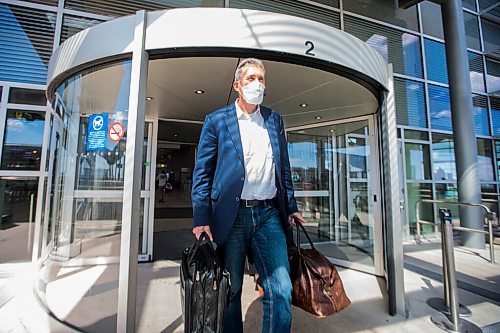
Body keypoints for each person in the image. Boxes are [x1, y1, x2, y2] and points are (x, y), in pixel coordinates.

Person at [191, 58, 307, 333]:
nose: (258, 84)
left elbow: (284, 168)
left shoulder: (273, 119)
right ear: (237, 85)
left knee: (280, 289)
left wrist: (290, 206)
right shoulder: (217, 121)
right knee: (231, 289)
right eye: (251, 78)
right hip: (233, 215)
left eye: (261, 79)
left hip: (268, 214)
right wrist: (201, 217)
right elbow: (202, 173)